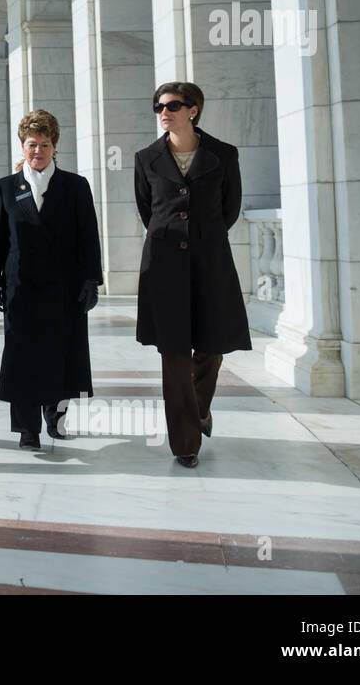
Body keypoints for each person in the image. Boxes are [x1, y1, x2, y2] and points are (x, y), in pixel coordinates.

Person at [134, 82, 252, 469]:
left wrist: (202, 238)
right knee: (173, 354)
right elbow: (148, 210)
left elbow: (229, 209)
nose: (163, 112)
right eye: (158, 106)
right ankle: (185, 444)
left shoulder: (223, 155)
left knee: (211, 347)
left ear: (194, 110)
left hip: (210, 262)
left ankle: (199, 409)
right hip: (164, 266)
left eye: (172, 105)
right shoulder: (146, 158)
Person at [0, 109, 102, 449]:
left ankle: (57, 418)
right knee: (23, 357)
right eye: (31, 144)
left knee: (62, 354)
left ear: (55, 147)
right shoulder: (6, 188)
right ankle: (27, 428)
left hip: (64, 289)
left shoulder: (75, 186)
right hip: (21, 290)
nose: (38, 151)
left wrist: (91, 281)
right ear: (22, 147)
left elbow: (88, 238)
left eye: (45, 144)